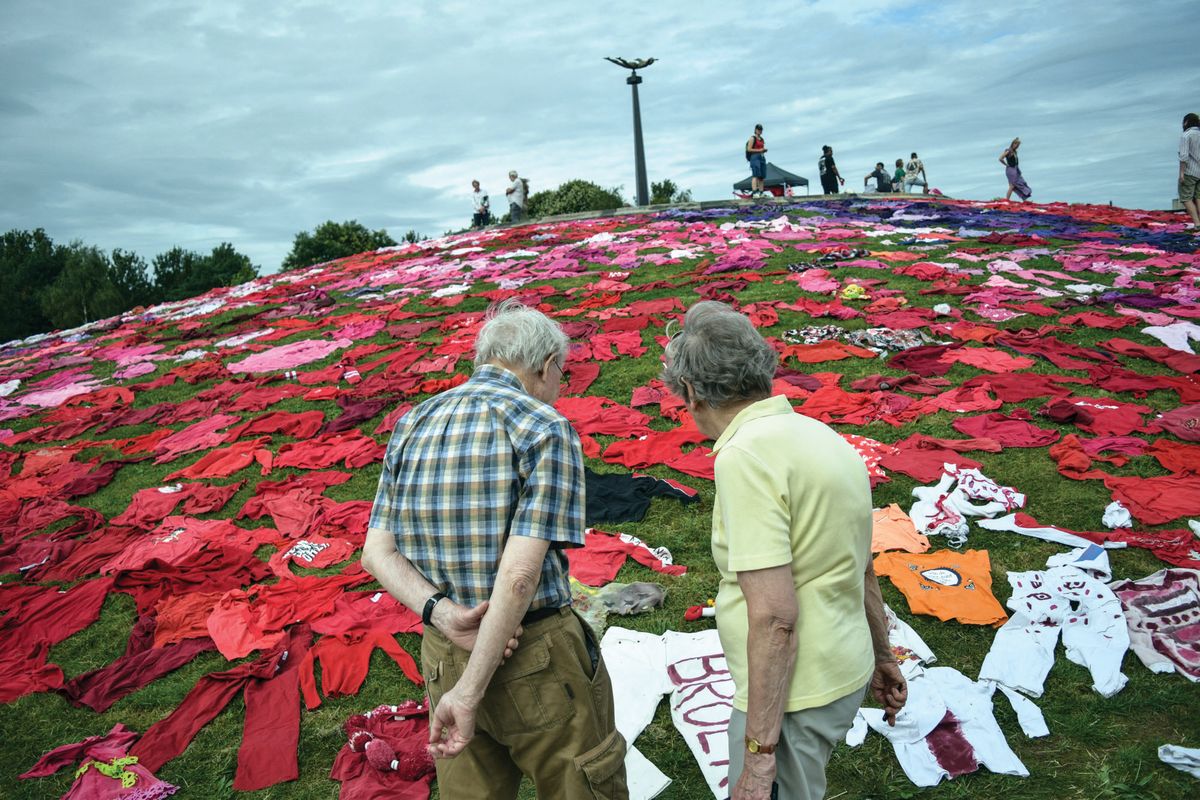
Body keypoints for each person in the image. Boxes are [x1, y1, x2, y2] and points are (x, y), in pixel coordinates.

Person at [362, 299, 628, 799]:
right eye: (562, 375)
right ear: (547, 365)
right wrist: (470, 691)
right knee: (580, 784)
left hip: (446, 650)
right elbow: (519, 577)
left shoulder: (412, 423)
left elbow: (377, 553)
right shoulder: (544, 426)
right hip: (535, 653)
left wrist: (442, 615)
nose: (561, 386)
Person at [659, 301, 907, 800]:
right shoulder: (823, 437)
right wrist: (882, 655)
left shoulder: (745, 456)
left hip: (797, 693)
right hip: (844, 664)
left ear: (691, 392)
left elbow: (774, 617)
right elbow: (862, 567)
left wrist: (758, 756)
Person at [1179, 113, 1200, 229]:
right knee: (1199, 196)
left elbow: (1184, 156)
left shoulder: (1186, 135)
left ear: (1186, 122)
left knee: (1186, 197)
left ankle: (1197, 223)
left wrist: (1181, 173)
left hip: (1190, 171)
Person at [745, 124, 768, 198]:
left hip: (761, 157)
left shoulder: (762, 139)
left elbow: (761, 148)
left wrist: (763, 150)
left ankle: (761, 192)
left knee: (761, 176)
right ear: (755, 130)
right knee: (755, 174)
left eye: (761, 129)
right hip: (754, 157)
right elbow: (749, 149)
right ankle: (755, 192)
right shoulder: (752, 138)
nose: (759, 131)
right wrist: (759, 150)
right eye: (758, 129)